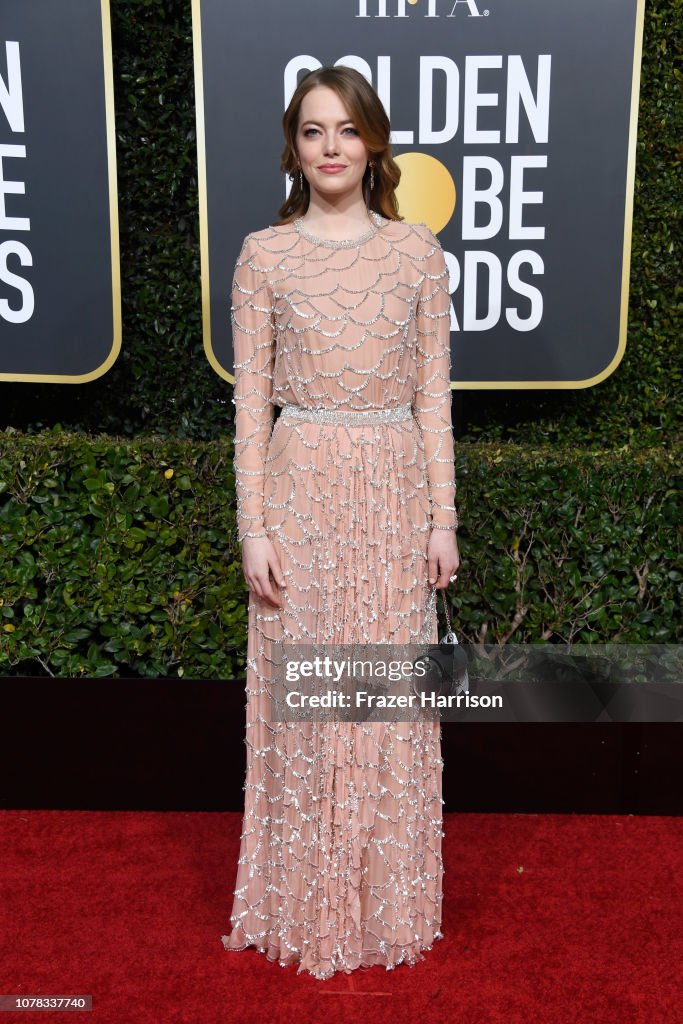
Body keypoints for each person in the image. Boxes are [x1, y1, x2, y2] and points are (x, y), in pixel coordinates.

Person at [222, 66, 460, 980]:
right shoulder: (264, 256)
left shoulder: (415, 255)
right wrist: (254, 527)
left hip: (394, 493)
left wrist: (442, 517)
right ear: (294, 147)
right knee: (312, 708)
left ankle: (381, 901)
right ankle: (303, 898)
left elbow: (433, 398)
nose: (331, 147)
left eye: (347, 130)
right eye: (314, 130)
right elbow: (249, 407)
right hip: (301, 492)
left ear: (373, 144)